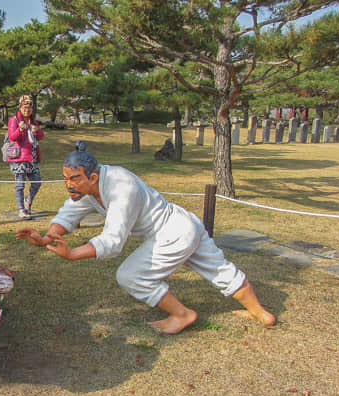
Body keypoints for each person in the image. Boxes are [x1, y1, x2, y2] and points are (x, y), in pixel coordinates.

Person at [16, 141, 276, 334]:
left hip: (174, 232)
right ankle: (261, 313)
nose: (68, 185)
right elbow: (69, 214)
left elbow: (114, 242)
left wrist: (72, 254)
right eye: (65, 179)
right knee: (218, 268)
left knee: (130, 275)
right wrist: (47, 237)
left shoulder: (121, 187)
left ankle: (182, 314)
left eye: (74, 179)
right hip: (184, 225)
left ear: (92, 177)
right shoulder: (89, 188)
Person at [7, 95, 45, 220]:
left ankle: (28, 201)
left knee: (37, 182)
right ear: (20, 107)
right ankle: (21, 209)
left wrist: (37, 131)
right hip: (19, 158)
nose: (27, 110)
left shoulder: (34, 121)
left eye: (29, 107)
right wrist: (20, 129)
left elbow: (40, 137)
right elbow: (12, 137)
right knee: (20, 185)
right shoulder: (14, 120)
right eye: (24, 107)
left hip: (32, 158)